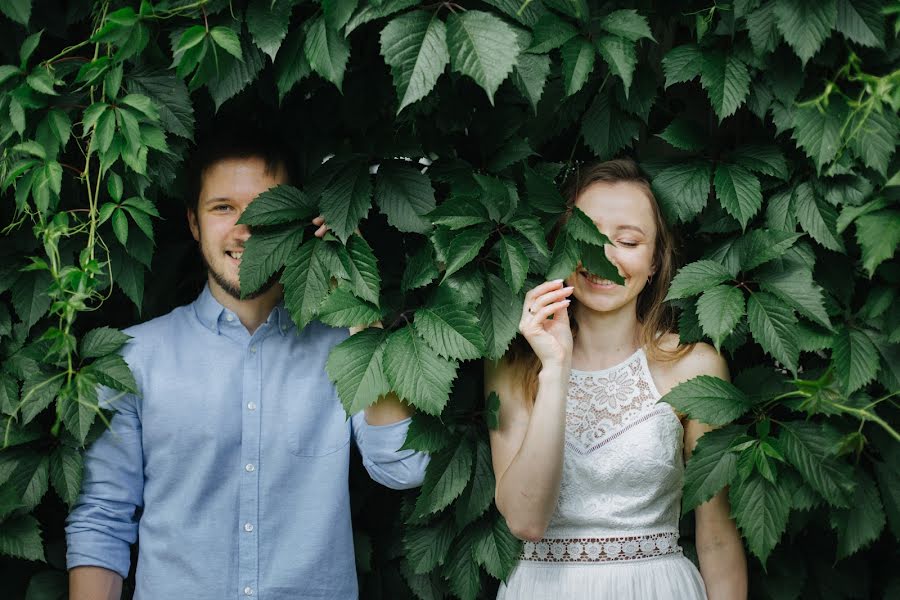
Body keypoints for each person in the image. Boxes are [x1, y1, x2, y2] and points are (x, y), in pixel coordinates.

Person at [65, 125, 428, 600]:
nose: (245, 229)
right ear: (194, 224)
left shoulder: (344, 347)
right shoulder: (132, 358)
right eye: (223, 208)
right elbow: (102, 519)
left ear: (299, 220)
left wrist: (358, 297)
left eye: (265, 209)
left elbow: (404, 467)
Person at [486, 159, 747, 599]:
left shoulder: (695, 366)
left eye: (627, 241)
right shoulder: (512, 365)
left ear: (655, 261)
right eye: (586, 236)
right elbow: (525, 521)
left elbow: (717, 535)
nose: (604, 257)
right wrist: (554, 368)